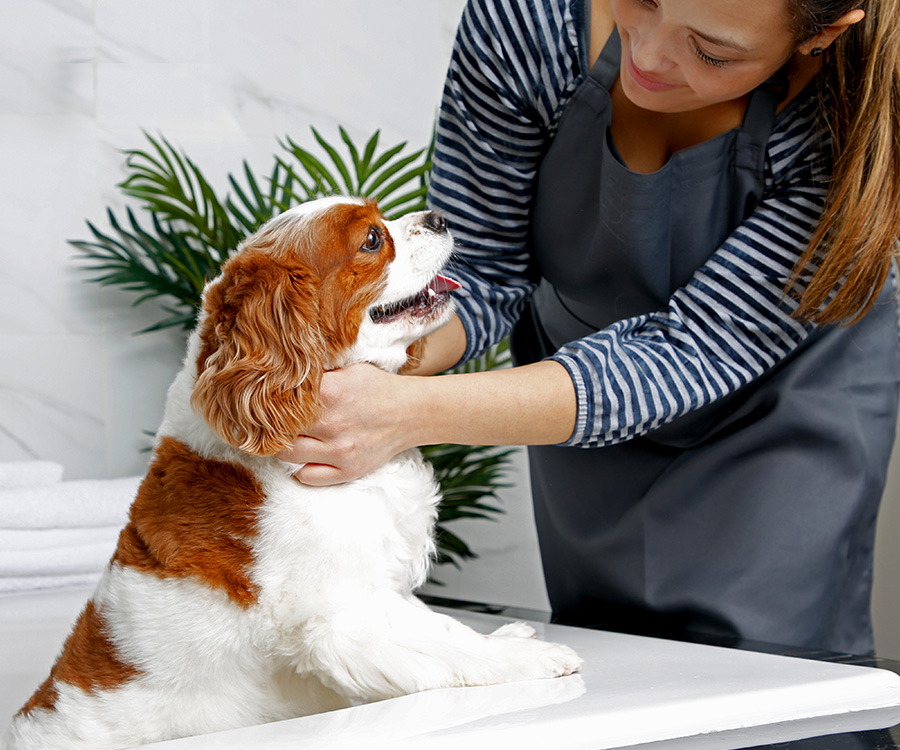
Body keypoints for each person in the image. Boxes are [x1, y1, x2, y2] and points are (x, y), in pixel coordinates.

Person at [279, 0, 900, 655]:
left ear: (822, 34)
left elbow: (688, 352)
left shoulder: (854, 119)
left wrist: (404, 413)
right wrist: (363, 360)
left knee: (764, 697)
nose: (652, 55)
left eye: (713, 53)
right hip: (582, 442)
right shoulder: (532, 21)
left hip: (776, 433)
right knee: (609, 668)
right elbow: (484, 270)